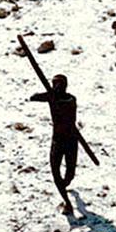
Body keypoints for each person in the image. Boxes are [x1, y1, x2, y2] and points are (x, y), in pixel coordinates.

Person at [29, 74, 79, 214]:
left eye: (59, 84)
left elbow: (65, 106)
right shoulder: (52, 97)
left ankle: (63, 186)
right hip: (57, 140)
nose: (56, 87)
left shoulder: (70, 100)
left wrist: (51, 96)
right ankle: (67, 202)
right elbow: (34, 97)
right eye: (54, 84)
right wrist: (48, 95)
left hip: (71, 140)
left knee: (69, 174)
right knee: (55, 171)